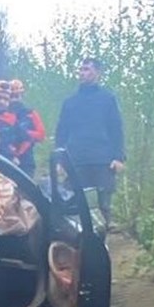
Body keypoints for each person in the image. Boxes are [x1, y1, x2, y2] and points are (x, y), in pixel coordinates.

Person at [55, 57, 125, 227]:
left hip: (102, 159)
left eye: (87, 69)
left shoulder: (107, 99)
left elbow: (116, 129)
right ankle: (79, 244)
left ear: (97, 73)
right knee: (74, 202)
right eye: (81, 69)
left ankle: (103, 245)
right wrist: (59, 160)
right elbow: (61, 131)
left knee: (103, 203)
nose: (82, 73)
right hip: (76, 159)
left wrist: (119, 157)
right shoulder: (70, 102)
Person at [9, 78, 46, 177]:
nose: (14, 99)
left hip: (26, 161)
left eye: (17, 96)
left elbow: (41, 134)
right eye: (12, 96)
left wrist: (24, 133)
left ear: (22, 95)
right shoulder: (3, 113)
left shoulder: (30, 113)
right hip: (6, 158)